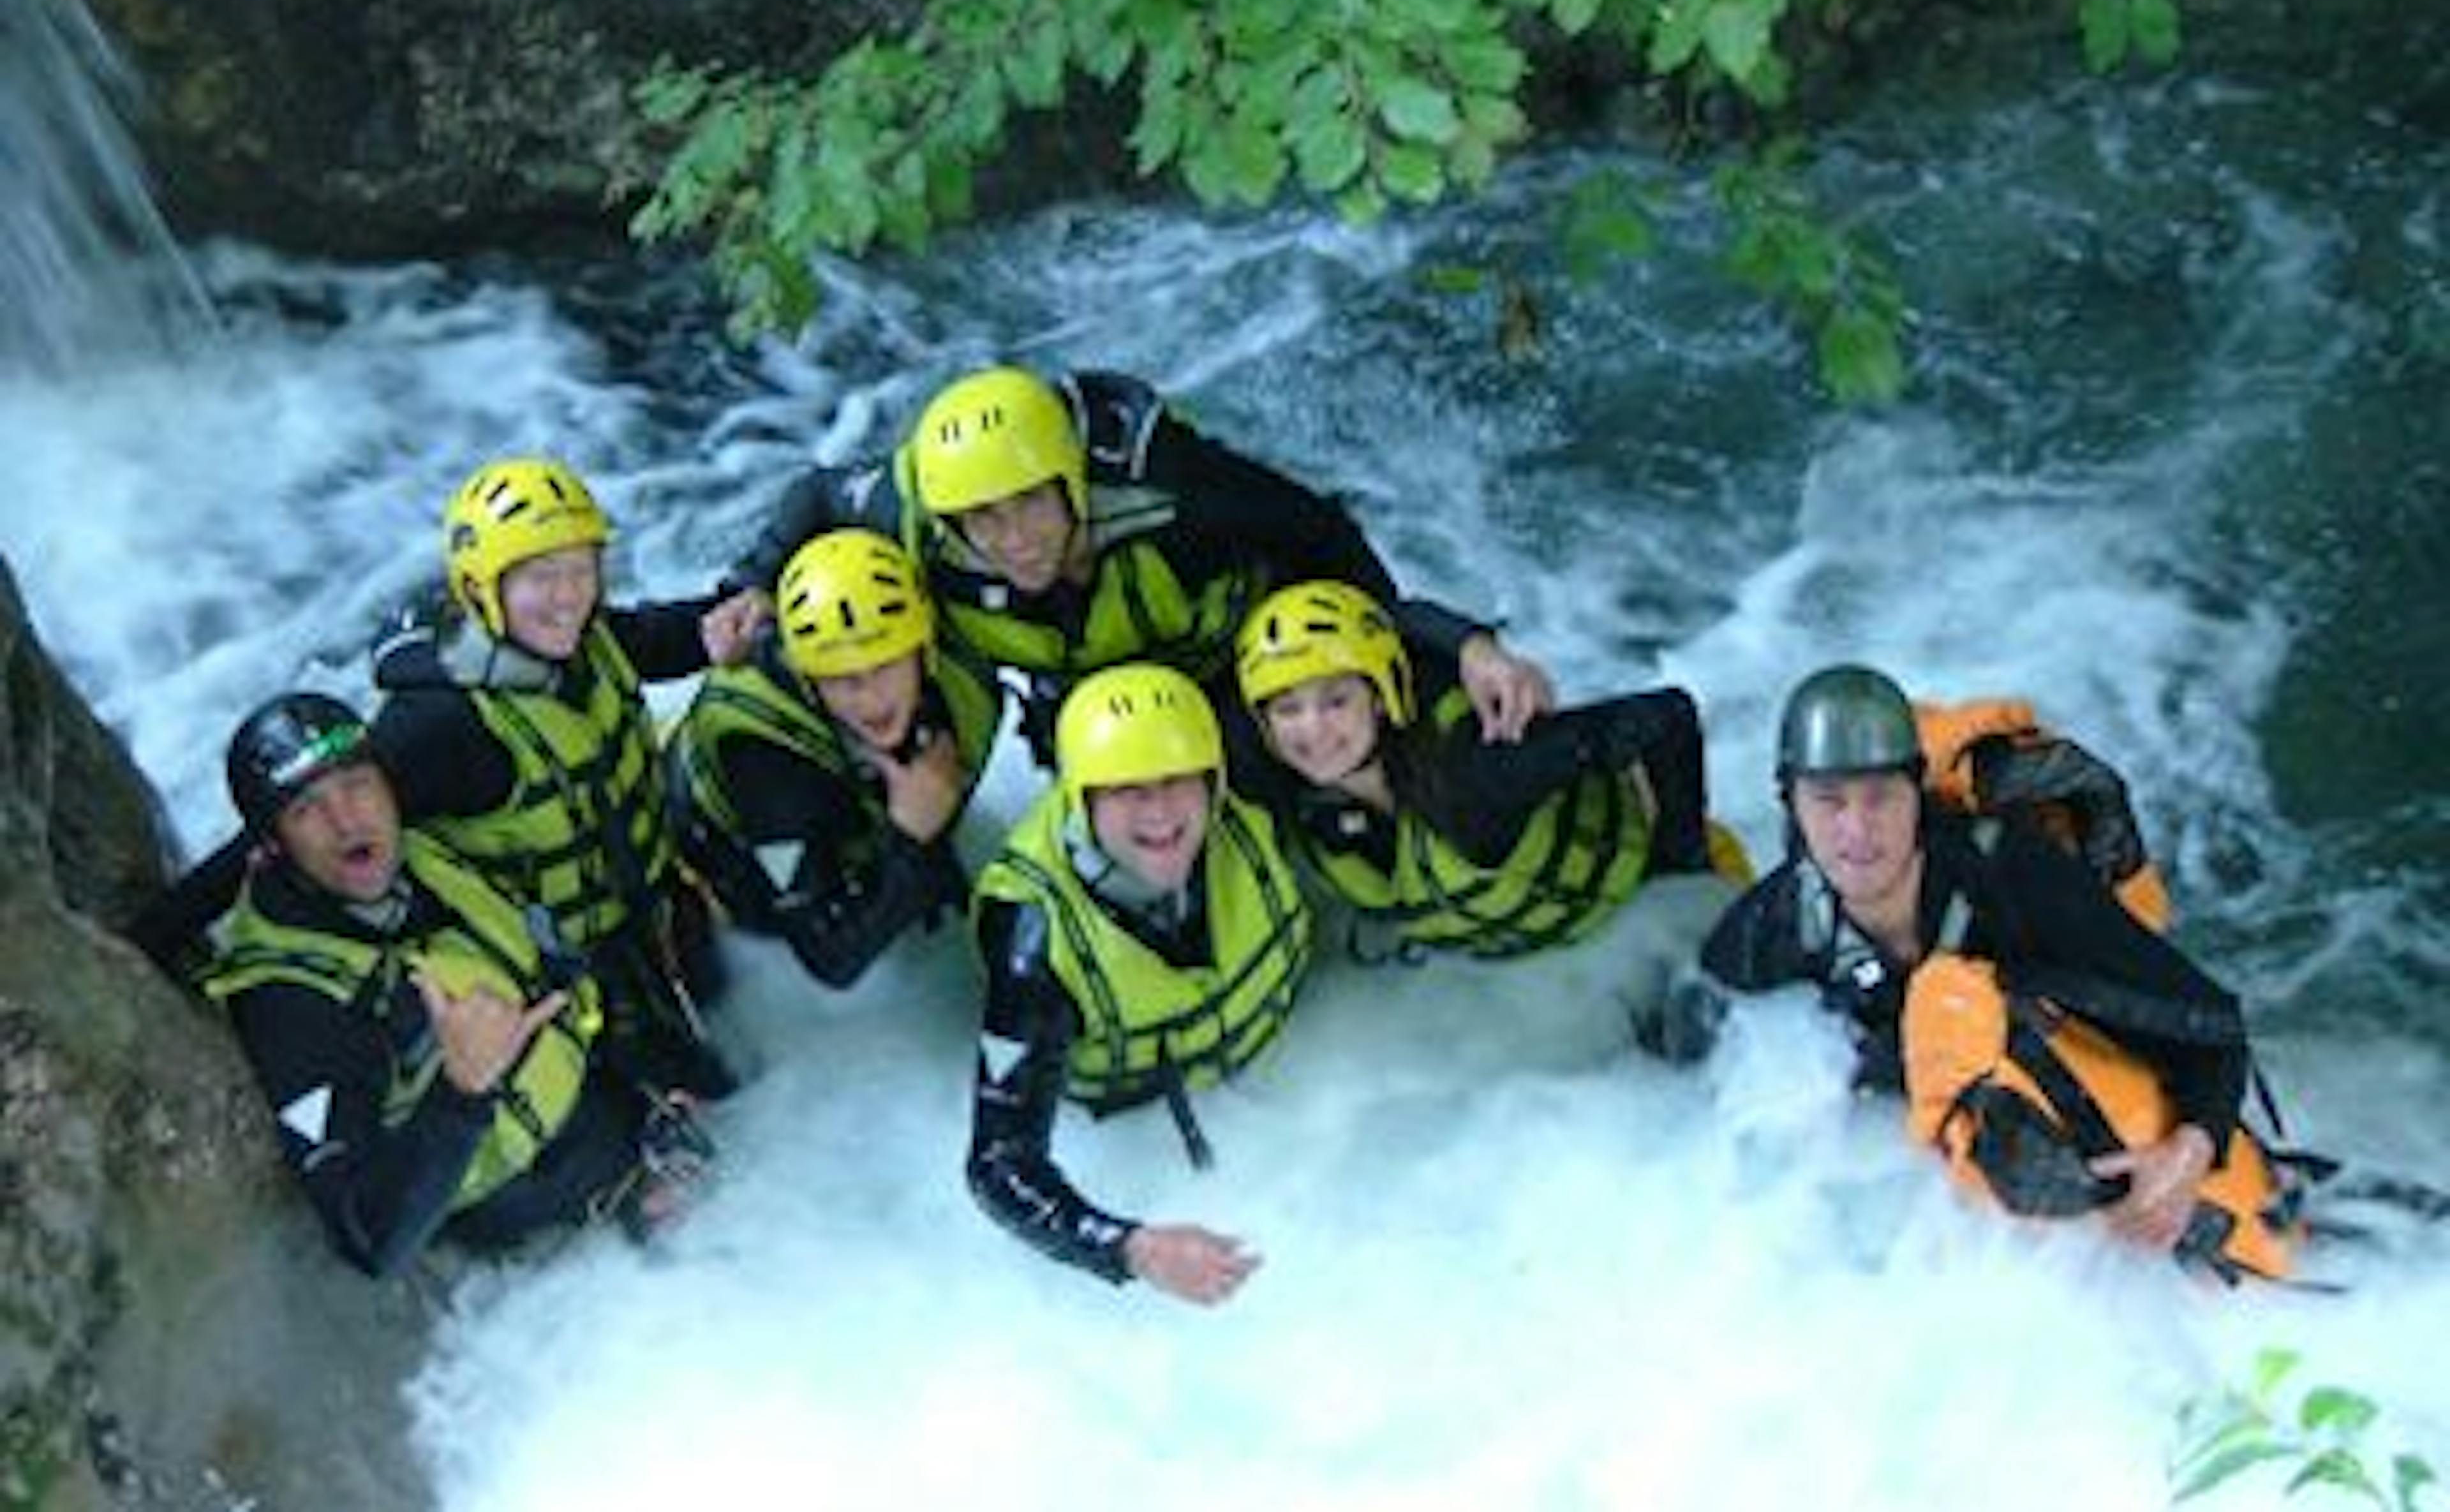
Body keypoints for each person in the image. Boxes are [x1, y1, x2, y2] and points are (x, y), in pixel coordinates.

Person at [1696, 663, 2298, 1281]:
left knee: (1960, 1009)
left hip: (2110, 1154)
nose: (1855, 830)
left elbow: (2211, 1023)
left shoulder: (2012, 877)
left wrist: (2190, 1152)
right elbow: (1703, 1082)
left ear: (1915, 794)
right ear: (1791, 805)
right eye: (1828, 801)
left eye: (1880, 797)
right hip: (1942, 1193)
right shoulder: (1768, 934)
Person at [733, 364, 1554, 759]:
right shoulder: (912, 510)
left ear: (1074, 484)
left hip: (1229, 666)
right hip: (1092, 700)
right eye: (982, 518)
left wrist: (1444, 650)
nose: (1011, 537)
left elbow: (1323, 538)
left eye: (1030, 504)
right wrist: (751, 586)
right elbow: (813, 496)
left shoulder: (1180, 494)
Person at [199, 693, 711, 1277]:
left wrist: (647, 1084)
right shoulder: (288, 1004)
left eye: (358, 785)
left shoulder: (425, 859)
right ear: (272, 847)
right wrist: (462, 1092)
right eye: (307, 809)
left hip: (623, 1130)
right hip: (543, 1251)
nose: (348, 820)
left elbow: (546, 973)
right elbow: (369, 1238)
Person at [370, 457, 766, 1099]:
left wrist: (722, 621)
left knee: (748, 1062)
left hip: (655, 911)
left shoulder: (591, 636)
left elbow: (665, 637)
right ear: (480, 591)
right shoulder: (440, 725)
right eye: (540, 578)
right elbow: (320, 814)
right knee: (692, 1120)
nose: (568, 596)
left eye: (582, 570)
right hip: (561, 975)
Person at [965, 662, 1313, 1305]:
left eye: (1177, 780)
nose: (1160, 813)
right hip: (1134, 1131)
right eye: (1127, 790)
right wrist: (1134, 1249)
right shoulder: (1036, 939)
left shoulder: (1255, 807)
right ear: (1082, 798)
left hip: (1303, 1085)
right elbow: (998, 1166)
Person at [1233, 579, 1742, 961]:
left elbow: (1665, 717)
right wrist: (1468, 644)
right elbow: (1386, 614)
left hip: (1639, 886)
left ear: (1382, 700)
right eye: (1287, 709)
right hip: (1532, 954)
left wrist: (1680, 871)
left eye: (1336, 700)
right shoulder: (1294, 786)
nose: (1312, 730)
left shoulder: (1477, 776)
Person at [667, 530, 1000, 987]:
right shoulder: (768, 763)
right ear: (806, 678)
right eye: (840, 679)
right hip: (728, 860)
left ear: (924, 651)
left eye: (885, 666)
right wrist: (911, 836)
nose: (870, 700)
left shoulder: (969, 679)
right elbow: (830, 959)